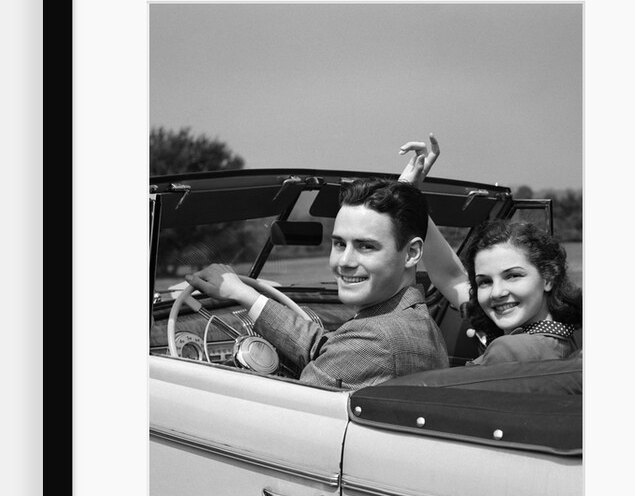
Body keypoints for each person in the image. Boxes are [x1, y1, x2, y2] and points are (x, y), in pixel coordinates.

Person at [186, 177, 450, 389]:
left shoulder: (375, 341)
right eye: (339, 244)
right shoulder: (412, 318)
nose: (344, 261)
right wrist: (245, 294)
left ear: (412, 253)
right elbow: (324, 347)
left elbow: (291, 415)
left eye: (366, 246)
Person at [397, 134, 582, 366]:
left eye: (513, 276)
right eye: (484, 281)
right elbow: (451, 276)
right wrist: (407, 195)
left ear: (548, 277)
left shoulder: (512, 350)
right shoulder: (566, 331)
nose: (496, 293)